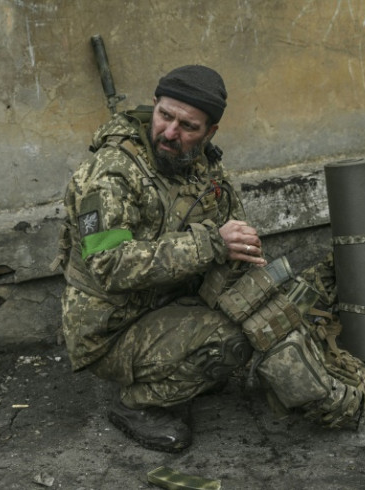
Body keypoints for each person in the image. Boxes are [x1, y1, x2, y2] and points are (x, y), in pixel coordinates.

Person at [57, 65, 267, 452]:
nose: (170, 133)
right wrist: (211, 245)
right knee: (230, 339)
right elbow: (110, 264)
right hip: (111, 328)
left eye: (188, 126)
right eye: (165, 116)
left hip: (162, 304)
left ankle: (180, 365)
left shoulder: (202, 163)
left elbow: (233, 227)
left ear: (209, 132)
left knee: (259, 319)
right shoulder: (110, 173)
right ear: (153, 105)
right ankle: (135, 405)